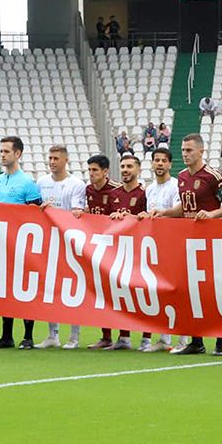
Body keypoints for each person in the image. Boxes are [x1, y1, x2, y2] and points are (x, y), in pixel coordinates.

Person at [154, 134, 222, 356]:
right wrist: (165, 213)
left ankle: (220, 340)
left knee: (213, 291)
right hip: (188, 240)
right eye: (183, 150)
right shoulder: (180, 177)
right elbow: (184, 207)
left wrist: (211, 214)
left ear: (201, 152)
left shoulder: (212, 176)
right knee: (190, 291)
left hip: (212, 240)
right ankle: (196, 340)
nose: (185, 154)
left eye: (189, 150)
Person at [0, 136, 43, 349]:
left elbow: (35, 215)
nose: (2, 155)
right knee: (3, 289)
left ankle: (28, 335)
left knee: (24, 289)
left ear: (18, 154)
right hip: (0, 244)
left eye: (6, 151)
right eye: (1, 151)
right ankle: (6, 335)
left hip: (21, 245)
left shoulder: (28, 183)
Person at [36, 144, 88, 348]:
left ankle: (74, 336)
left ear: (66, 160)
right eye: (50, 158)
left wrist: (54, 213)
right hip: (48, 243)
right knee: (50, 288)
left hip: (69, 243)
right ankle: (52, 334)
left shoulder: (76, 183)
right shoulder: (41, 182)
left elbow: (77, 214)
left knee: (73, 289)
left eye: (56, 158)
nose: (52, 162)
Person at [105, 153, 149, 350]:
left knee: (142, 293)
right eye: (123, 166)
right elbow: (104, 223)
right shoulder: (114, 194)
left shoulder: (144, 193)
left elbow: (149, 220)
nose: (125, 170)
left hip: (140, 251)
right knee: (120, 292)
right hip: (119, 251)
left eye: (129, 166)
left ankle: (146, 337)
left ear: (138, 170)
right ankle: (123, 337)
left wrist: (134, 218)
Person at [136, 147, 178, 352]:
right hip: (154, 246)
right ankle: (162, 338)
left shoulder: (176, 186)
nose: (160, 164)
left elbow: (180, 211)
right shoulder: (149, 189)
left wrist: (162, 214)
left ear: (170, 164)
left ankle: (179, 338)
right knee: (156, 291)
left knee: (175, 292)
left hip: (173, 244)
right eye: (156, 160)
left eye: (163, 160)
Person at [82, 154, 123, 351]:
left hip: (116, 248)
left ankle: (124, 335)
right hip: (97, 247)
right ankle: (106, 336)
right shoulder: (89, 189)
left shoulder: (116, 189)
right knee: (100, 291)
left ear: (105, 171)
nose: (91, 174)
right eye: (89, 170)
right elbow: (92, 212)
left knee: (118, 290)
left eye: (95, 170)